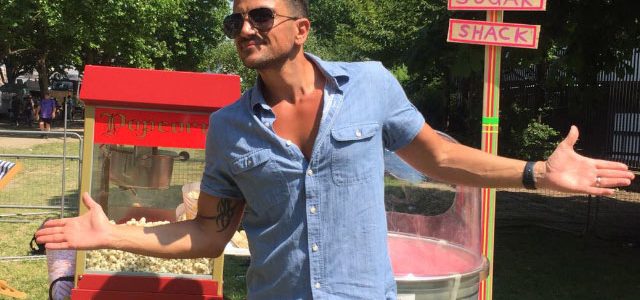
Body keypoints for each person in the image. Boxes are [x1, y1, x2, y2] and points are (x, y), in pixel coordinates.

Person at [36, 0, 635, 299]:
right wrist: (108, 234)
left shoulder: (371, 83)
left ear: (301, 29)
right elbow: (210, 235)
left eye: (261, 16)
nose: (245, 29)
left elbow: (439, 158)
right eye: (235, 22)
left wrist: (535, 172)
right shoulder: (228, 129)